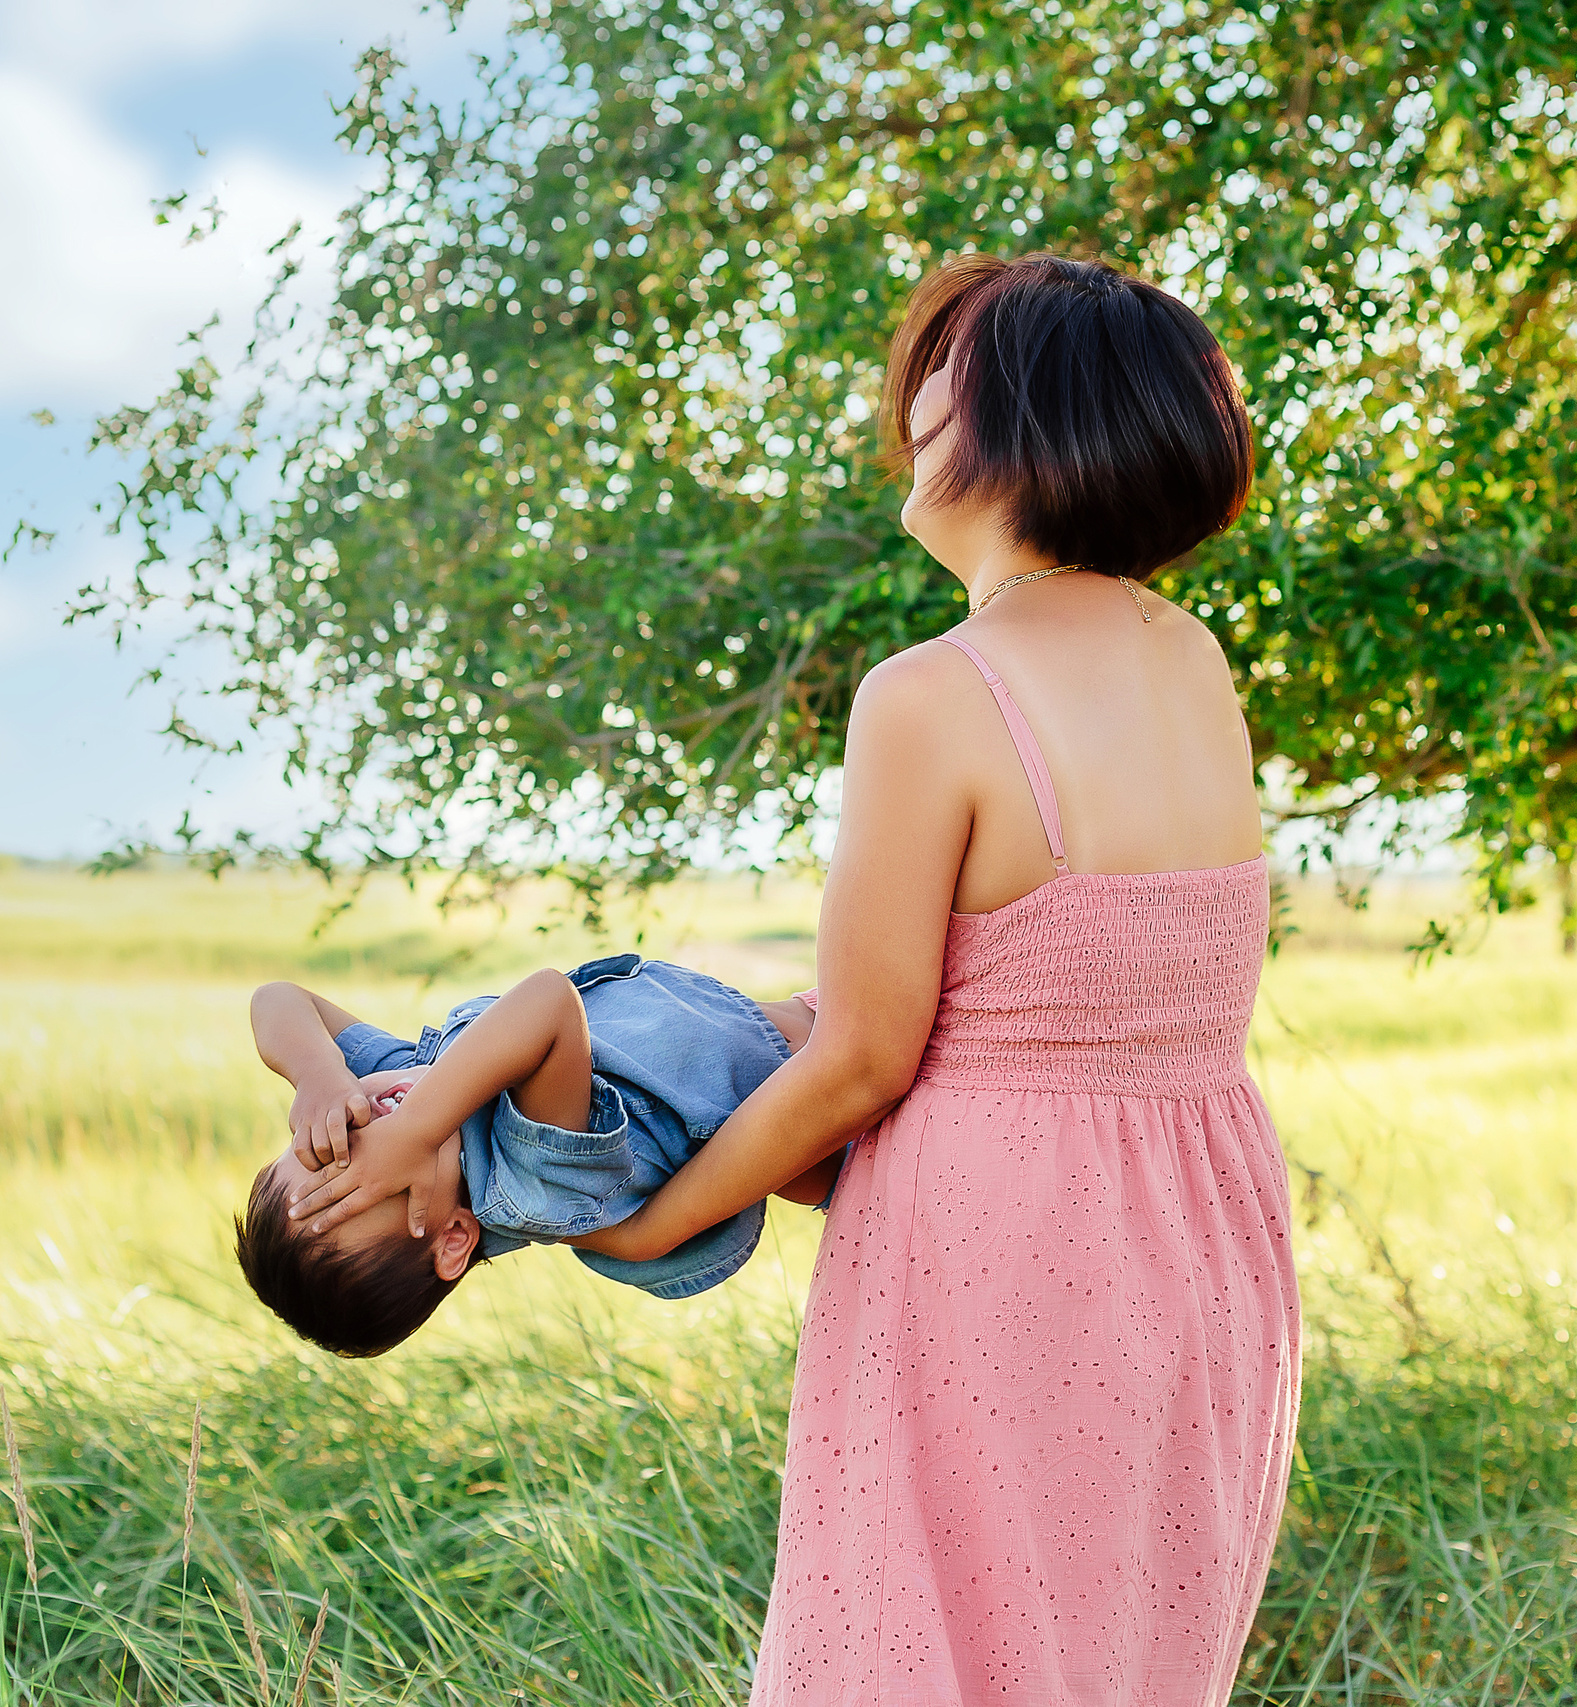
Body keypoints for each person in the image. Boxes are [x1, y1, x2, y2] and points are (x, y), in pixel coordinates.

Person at [313, 251, 1301, 1701]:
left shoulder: (934, 691)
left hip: (1001, 1238)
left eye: (942, 374)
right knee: (1121, 1643)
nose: (911, 405)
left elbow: (866, 1056)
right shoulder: (1190, 655)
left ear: (1027, 416)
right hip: (1199, 1214)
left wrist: (653, 1224)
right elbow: (1078, 981)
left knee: (918, 1648)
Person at [238, 956, 841, 1356]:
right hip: (856, 1107)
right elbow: (548, 1003)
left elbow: (278, 997)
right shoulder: (532, 1184)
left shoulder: (394, 1102)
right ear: (451, 1239)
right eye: (368, 1180)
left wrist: (319, 1076)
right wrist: (417, 1129)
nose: (366, 1131)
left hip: (817, 1016)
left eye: (326, 1144)